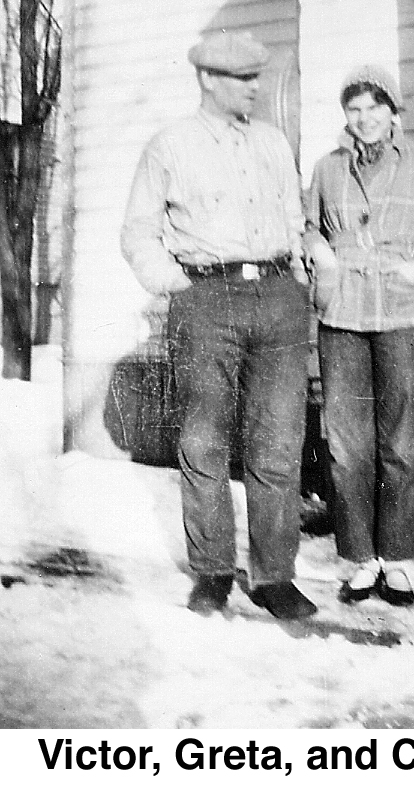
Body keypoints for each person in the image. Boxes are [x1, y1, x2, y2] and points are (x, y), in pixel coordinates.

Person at [121, 30, 316, 621]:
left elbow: (294, 218)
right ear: (208, 79)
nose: (255, 89)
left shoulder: (274, 145)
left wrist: (300, 276)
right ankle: (211, 572)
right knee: (204, 441)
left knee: (278, 443)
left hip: (278, 297)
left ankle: (275, 577)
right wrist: (178, 285)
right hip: (207, 300)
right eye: (242, 79)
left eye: (257, 77)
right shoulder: (170, 146)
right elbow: (137, 232)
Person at [305, 65, 414, 605]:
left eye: (375, 107)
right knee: (348, 447)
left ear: (393, 112)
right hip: (342, 316)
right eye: (355, 109)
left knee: (400, 443)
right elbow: (308, 226)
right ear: (346, 117)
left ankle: (396, 560)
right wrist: (318, 250)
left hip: (402, 315)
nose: (365, 118)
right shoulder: (327, 169)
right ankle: (360, 560)